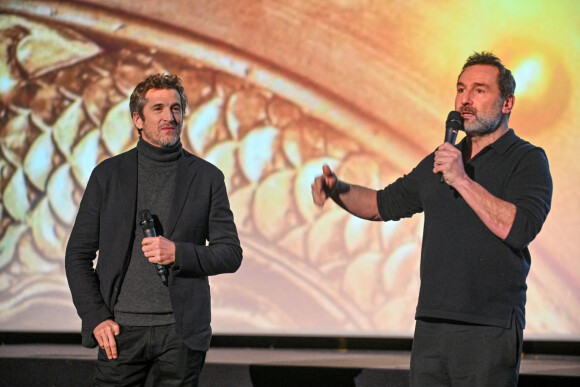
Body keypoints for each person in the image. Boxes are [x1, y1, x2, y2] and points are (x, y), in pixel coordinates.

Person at [311, 52, 552, 386]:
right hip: (432, 325)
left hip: (488, 326)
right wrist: (338, 189)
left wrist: (462, 180)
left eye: (480, 91)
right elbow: (382, 204)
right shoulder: (444, 159)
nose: (465, 99)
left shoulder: (526, 160)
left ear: (507, 103)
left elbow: (519, 228)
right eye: (461, 89)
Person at [65, 73, 243, 386]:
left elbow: (230, 254)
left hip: (181, 333)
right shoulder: (108, 175)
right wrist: (96, 317)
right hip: (121, 331)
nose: (169, 117)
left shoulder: (206, 177)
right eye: (158, 109)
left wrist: (179, 252)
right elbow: (78, 255)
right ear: (138, 118)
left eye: (176, 109)